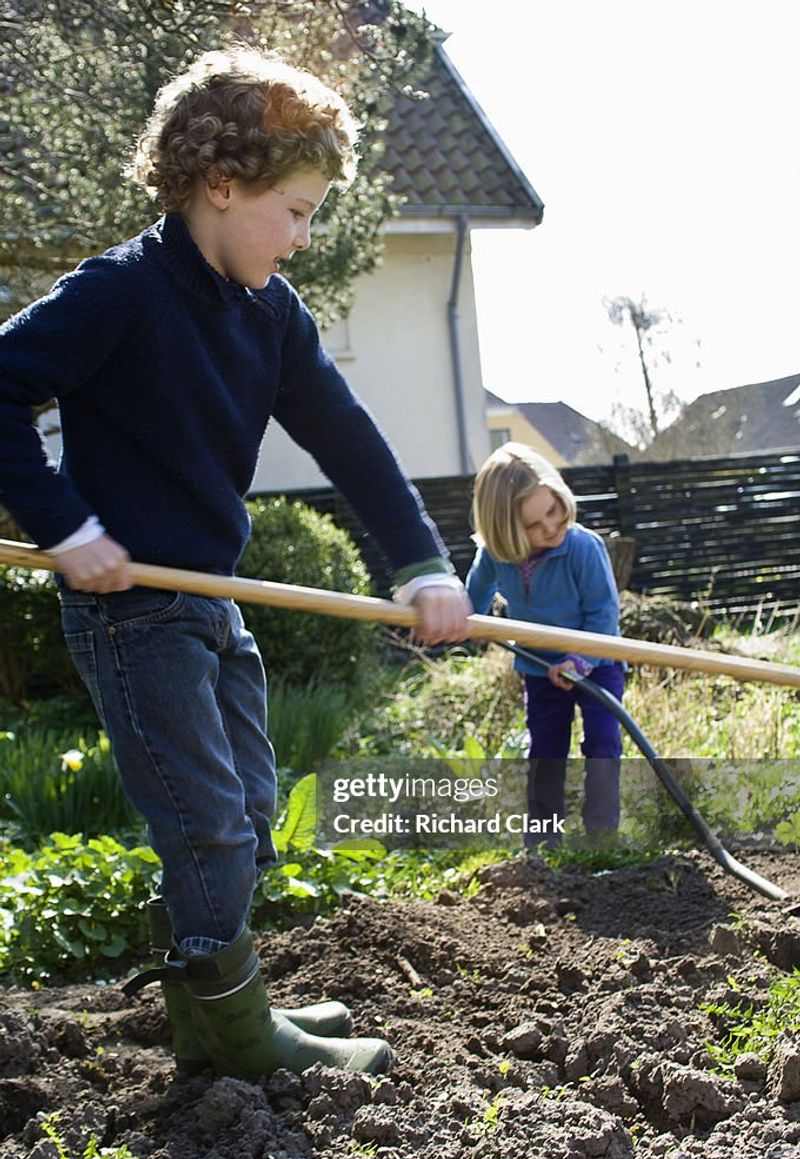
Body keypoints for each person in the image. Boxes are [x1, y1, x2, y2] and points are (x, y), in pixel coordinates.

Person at [0, 44, 472, 1081]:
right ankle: (234, 1034)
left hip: (213, 603)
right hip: (134, 613)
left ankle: (220, 995)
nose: (303, 240)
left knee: (250, 810)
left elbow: (349, 442)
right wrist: (68, 527)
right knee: (205, 821)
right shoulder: (119, 292)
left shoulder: (271, 316)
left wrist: (420, 566)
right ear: (220, 186)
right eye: (295, 211)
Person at [466, 442, 624, 851]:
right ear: (505, 531)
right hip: (539, 667)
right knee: (547, 751)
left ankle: (601, 835)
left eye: (553, 510)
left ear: (559, 496)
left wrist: (579, 660)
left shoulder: (583, 548)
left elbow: (604, 615)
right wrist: (464, 619)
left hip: (597, 661)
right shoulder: (495, 556)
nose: (550, 527)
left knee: (602, 743)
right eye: (534, 525)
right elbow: (475, 597)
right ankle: (543, 838)